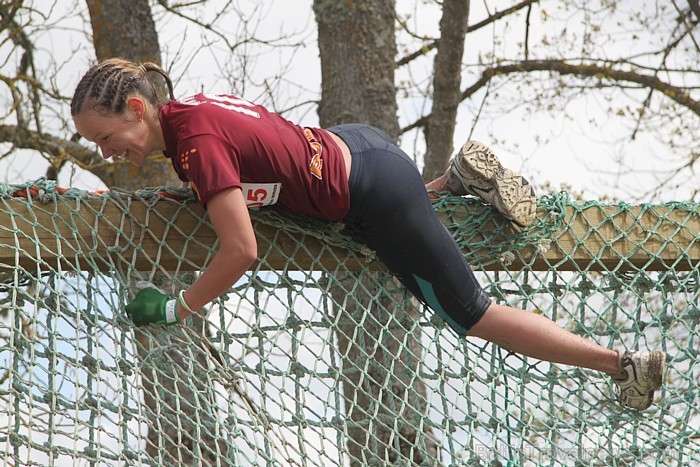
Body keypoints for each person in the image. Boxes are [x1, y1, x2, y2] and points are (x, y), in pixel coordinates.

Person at [71, 58, 665, 411]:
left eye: (105, 138)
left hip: (374, 193)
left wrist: (180, 307)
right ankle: (451, 182)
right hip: (358, 143)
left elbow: (242, 249)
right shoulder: (190, 112)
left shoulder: (195, 146)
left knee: (474, 316)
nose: (108, 153)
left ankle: (622, 365)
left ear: (136, 108)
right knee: (367, 221)